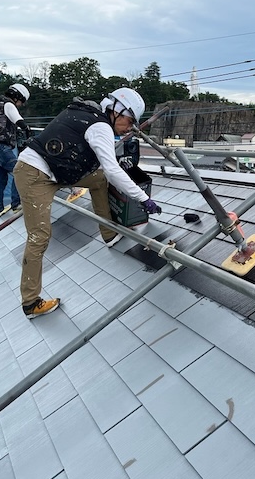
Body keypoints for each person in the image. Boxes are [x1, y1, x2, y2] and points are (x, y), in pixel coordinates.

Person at [13, 87, 161, 319]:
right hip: (35, 174)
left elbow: (101, 169)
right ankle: (31, 302)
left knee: (98, 179)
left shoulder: (87, 114)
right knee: (39, 237)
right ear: (118, 112)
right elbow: (112, 170)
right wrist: (143, 198)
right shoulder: (100, 126)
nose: (127, 128)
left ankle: (109, 233)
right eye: (129, 121)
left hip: (54, 169)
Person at [0, 83, 31, 214]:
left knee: (2, 178)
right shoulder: (8, 104)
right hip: (2, 146)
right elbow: (18, 120)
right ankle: (16, 203)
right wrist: (27, 129)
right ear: (17, 96)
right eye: (21, 101)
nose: (20, 105)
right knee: (20, 171)